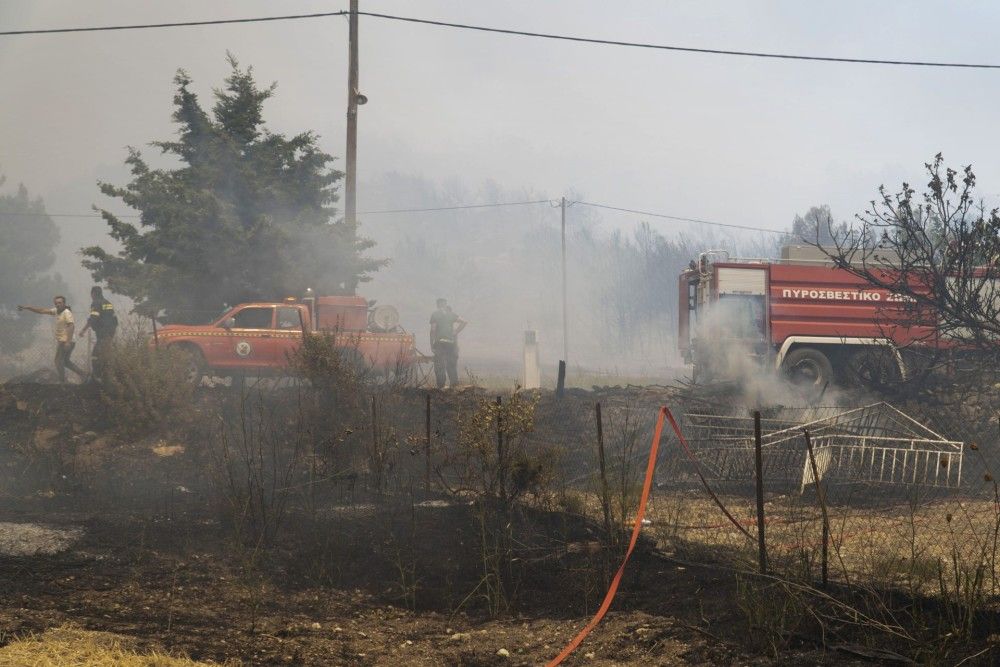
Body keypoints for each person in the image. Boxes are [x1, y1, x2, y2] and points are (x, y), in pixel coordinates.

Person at [17, 295, 88, 383]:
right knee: (65, 361)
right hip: (66, 341)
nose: (58, 304)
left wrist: (68, 342)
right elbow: (42, 310)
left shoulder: (66, 312)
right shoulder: (56, 311)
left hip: (66, 340)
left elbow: (71, 326)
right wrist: (28, 307)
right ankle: (84, 375)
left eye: (60, 303)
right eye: (56, 303)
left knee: (58, 361)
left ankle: (63, 381)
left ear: (64, 304)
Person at [78, 286, 118, 382]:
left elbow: (93, 318)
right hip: (110, 333)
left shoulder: (96, 303)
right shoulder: (108, 303)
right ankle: (107, 376)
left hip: (102, 334)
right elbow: (114, 320)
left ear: (93, 294)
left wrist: (83, 330)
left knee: (95, 356)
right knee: (105, 354)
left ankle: (97, 377)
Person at [429, 298, 466, 389]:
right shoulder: (451, 314)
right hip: (451, 343)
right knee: (451, 364)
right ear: (445, 305)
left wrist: (431, 344)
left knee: (439, 364)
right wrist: (455, 332)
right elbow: (464, 321)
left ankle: (441, 387)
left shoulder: (435, 314)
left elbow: (433, 330)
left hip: (440, 343)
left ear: (437, 305)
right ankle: (454, 386)